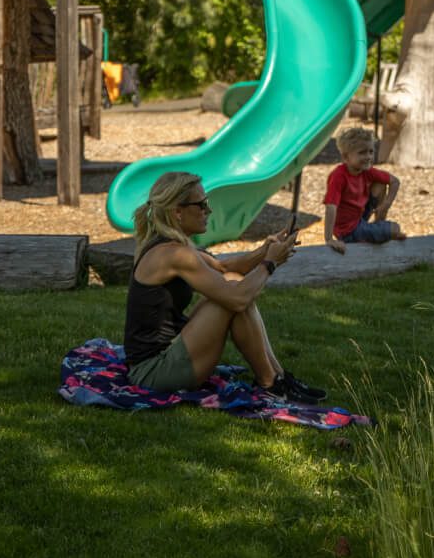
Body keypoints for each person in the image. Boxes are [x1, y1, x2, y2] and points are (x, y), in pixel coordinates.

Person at [123, 171, 326, 403]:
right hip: (152, 372)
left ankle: (276, 378)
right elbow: (237, 299)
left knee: (233, 281)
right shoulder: (175, 254)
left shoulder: (170, 244)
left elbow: (222, 267)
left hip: (160, 356)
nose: (207, 210)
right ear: (177, 212)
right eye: (201, 205)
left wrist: (265, 250)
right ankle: (270, 382)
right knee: (232, 296)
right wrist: (270, 263)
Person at [323, 126, 405, 255]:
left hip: (358, 217)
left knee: (380, 184)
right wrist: (329, 239)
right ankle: (374, 232)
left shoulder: (366, 170)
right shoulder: (339, 176)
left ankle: (377, 226)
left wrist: (386, 205)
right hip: (348, 231)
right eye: (362, 152)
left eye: (371, 152)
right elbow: (331, 207)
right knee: (395, 229)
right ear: (346, 157)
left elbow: (394, 181)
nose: (368, 157)